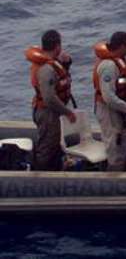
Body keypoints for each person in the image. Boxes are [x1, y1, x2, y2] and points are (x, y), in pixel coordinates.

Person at [93, 31, 126, 171]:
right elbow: (108, 97)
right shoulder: (109, 66)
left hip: (118, 111)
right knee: (115, 148)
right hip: (108, 111)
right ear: (122, 46)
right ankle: (112, 180)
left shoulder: (122, 62)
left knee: (121, 146)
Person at [26, 30, 77, 170]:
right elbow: (49, 99)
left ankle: (54, 169)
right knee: (47, 147)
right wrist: (67, 112)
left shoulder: (52, 63)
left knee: (54, 144)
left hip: (52, 111)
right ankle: (41, 177)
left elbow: (60, 79)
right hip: (47, 113)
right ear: (57, 46)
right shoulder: (46, 69)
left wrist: (66, 65)